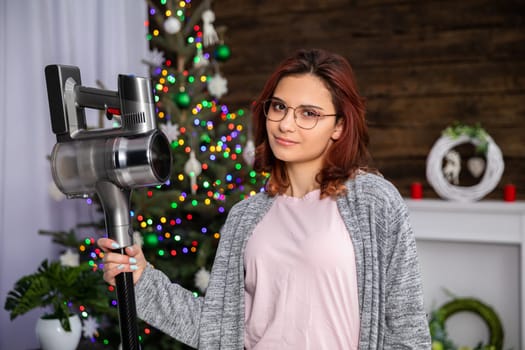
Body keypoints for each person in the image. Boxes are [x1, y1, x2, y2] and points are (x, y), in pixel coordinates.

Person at [98, 48, 431, 349]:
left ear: (339, 127)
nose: (286, 124)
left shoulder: (372, 201)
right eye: (280, 107)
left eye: (309, 113)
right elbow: (217, 329)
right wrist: (142, 278)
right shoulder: (246, 216)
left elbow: (407, 329)